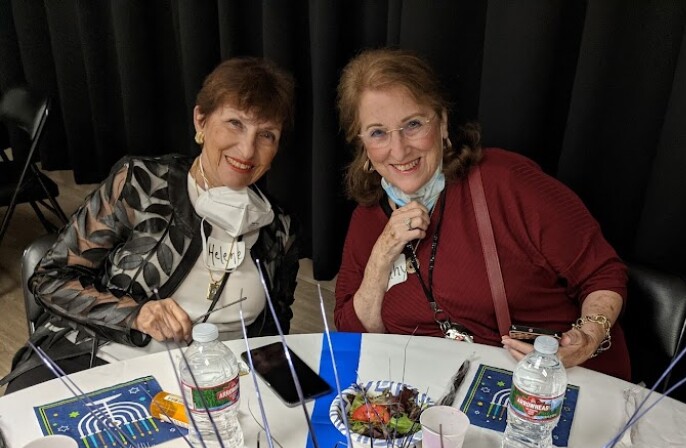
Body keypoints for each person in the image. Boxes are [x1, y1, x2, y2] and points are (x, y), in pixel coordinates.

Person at [2, 57, 299, 393]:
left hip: (215, 385)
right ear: (200, 120)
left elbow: (275, 328)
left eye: (267, 135)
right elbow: (50, 279)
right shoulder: (140, 184)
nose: (247, 149)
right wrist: (135, 314)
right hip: (104, 360)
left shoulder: (278, 228)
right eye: (235, 123)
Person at [334, 48, 630, 380]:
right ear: (362, 144)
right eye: (378, 132)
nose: (399, 149)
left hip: (548, 386)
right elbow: (351, 334)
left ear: (443, 122)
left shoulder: (506, 181)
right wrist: (381, 255)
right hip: (439, 397)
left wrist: (586, 339)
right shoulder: (368, 218)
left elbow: (602, 273)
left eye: (413, 124)